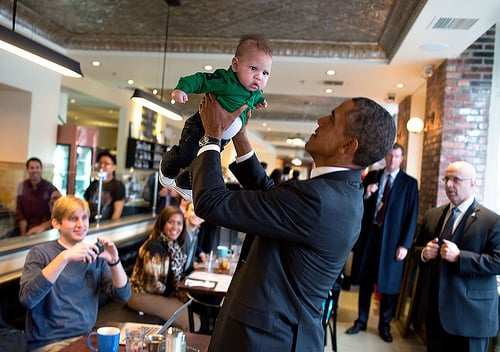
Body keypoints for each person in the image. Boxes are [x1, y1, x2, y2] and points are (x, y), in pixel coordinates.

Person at [190, 93, 396, 351]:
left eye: (332, 119)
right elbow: (274, 198)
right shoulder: (341, 192)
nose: (320, 120)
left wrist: (212, 136)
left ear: (348, 145)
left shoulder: (319, 199)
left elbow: (212, 203)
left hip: (267, 341)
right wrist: (240, 137)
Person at [159, 34, 273, 201]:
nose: (259, 76)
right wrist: (182, 89)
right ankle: (167, 167)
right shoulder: (224, 80)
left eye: (265, 73)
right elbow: (201, 79)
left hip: (221, 139)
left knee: (203, 162)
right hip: (200, 127)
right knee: (187, 155)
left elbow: (256, 97)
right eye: (253, 68)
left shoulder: (254, 92)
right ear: (235, 64)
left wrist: (260, 101)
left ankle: (185, 183)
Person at [19, 195, 130, 352]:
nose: (81, 224)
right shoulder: (39, 254)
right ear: (56, 223)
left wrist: (114, 262)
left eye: (84, 218)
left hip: (86, 338)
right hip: (49, 343)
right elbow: (27, 299)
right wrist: (65, 257)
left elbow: (123, 296)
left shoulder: (95, 254)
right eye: (73, 219)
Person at [412, 161, 500, 352]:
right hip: (436, 313)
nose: (449, 185)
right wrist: (424, 254)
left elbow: (498, 261)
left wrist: (461, 257)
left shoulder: (491, 221)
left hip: (471, 318)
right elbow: (416, 250)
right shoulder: (433, 215)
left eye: (456, 180)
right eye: (447, 179)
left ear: (473, 184)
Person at [346, 143, 419, 342]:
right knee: (366, 281)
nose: (392, 160)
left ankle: (384, 325)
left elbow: (412, 216)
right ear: (385, 156)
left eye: (396, 156)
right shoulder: (372, 175)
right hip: (370, 237)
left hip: (393, 241)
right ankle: (360, 321)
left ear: (402, 159)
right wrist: (367, 193)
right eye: (389, 155)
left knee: (388, 284)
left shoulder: (409, 183)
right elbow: (355, 204)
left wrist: (405, 244)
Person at [127, 206, 198, 331]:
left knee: (194, 313)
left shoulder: (172, 245)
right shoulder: (154, 248)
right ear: (162, 223)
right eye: (170, 222)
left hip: (159, 293)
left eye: (179, 223)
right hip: (140, 294)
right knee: (193, 323)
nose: (175, 227)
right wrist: (174, 294)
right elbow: (152, 285)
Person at [15, 157, 59, 236]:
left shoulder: (50, 187)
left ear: (41, 169)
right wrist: (23, 235)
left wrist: (42, 227)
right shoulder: (22, 186)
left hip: (45, 231)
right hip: (26, 230)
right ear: (27, 169)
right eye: (32, 168)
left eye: (37, 167)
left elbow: (59, 212)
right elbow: (20, 212)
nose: (35, 170)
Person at [84, 151, 126, 222]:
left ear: (114, 167)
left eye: (106, 164)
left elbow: (118, 211)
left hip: (106, 224)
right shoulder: (94, 183)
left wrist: (110, 227)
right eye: (100, 163)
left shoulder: (117, 185)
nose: (102, 166)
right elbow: (85, 203)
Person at [182, 202, 206, 273]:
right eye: (192, 210)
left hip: (186, 275)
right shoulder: (179, 232)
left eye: (200, 212)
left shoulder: (195, 232)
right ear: (186, 213)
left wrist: (192, 263)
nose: (196, 215)